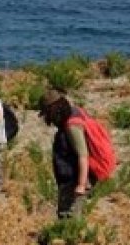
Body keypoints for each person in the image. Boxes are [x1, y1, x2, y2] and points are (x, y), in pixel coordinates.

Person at [37, 89, 95, 218]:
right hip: (69, 179)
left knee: (69, 217)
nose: (48, 118)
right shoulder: (72, 115)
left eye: (47, 113)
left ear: (54, 110)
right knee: (68, 216)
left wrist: (81, 185)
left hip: (74, 181)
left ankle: (71, 237)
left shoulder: (71, 126)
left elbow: (83, 155)